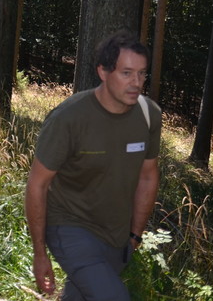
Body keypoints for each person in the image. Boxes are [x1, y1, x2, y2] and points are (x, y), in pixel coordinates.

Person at [25, 30, 162, 300]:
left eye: (142, 74)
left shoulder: (148, 115)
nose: (136, 82)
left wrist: (135, 235)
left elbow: (148, 177)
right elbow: (37, 185)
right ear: (103, 72)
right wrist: (39, 254)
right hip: (69, 225)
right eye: (126, 73)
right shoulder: (69, 118)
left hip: (116, 236)